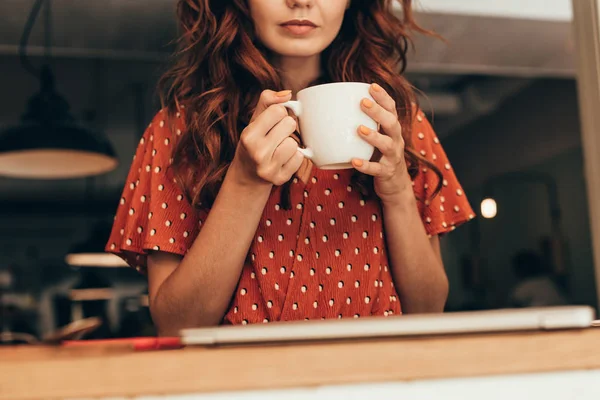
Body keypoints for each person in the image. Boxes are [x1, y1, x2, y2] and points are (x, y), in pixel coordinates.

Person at [106, 0, 475, 336]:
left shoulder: (399, 123)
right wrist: (246, 182)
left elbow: (428, 310)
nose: (301, 1)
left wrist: (396, 191)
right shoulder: (178, 130)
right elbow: (176, 326)